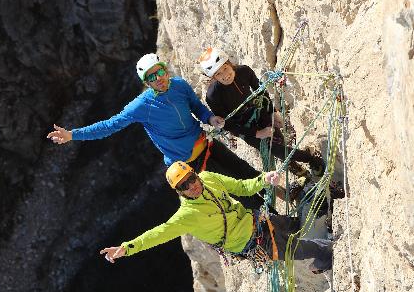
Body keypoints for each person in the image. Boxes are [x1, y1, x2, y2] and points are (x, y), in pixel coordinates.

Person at [47, 53, 261, 181]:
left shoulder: (179, 85)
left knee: (247, 171)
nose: (158, 79)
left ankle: (284, 198)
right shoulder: (141, 106)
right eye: (151, 77)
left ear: (165, 70)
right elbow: (110, 125)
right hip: (190, 161)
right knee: (239, 188)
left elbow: (196, 106)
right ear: (146, 82)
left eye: (160, 72)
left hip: (205, 143)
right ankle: (278, 222)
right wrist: (73, 135)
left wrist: (210, 118)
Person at [100, 161, 333, 274]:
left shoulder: (209, 178)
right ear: (179, 192)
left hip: (255, 221)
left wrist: (264, 179)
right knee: (289, 249)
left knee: (291, 226)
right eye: (184, 186)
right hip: (248, 241)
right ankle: (324, 249)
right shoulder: (187, 216)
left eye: (191, 179)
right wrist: (127, 248)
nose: (192, 186)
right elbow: (159, 233)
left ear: (194, 174)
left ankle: (324, 240)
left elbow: (242, 187)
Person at [198, 47, 325, 175]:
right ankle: (309, 160)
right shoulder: (213, 96)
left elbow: (261, 92)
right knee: (275, 150)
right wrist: (257, 133)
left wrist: (272, 112)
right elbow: (230, 126)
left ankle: (298, 164)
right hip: (244, 128)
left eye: (225, 68)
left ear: (229, 64)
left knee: (279, 143)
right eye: (218, 74)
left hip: (259, 113)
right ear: (214, 77)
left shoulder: (244, 71)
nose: (225, 76)